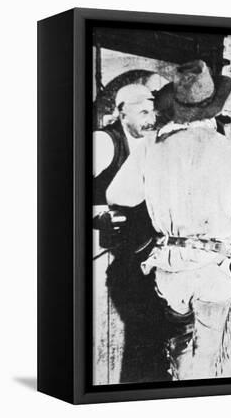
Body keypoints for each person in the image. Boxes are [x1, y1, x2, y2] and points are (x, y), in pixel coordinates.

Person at [141, 60, 231, 380]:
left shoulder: (153, 150)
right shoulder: (229, 149)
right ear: (213, 109)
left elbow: (123, 195)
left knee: (180, 344)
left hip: (170, 267)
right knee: (209, 350)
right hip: (214, 267)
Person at [93, 83, 171, 383]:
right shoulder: (103, 142)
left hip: (144, 250)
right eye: (142, 112)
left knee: (151, 333)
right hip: (109, 253)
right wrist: (99, 212)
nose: (150, 118)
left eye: (152, 110)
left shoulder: (153, 143)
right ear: (121, 113)